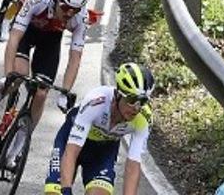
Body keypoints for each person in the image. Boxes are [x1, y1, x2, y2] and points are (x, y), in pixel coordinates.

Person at [0, 0, 89, 133]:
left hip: (50, 39)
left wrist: (66, 91)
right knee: (18, 75)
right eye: (65, 7)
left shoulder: (81, 18)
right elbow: (14, 38)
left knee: (41, 93)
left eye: (75, 10)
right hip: (27, 31)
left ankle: (22, 140)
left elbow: (75, 58)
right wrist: (7, 75)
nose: (69, 13)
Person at [44, 61, 154, 195]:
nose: (136, 108)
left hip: (102, 152)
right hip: (71, 142)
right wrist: (66, 190)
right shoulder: (96, 102)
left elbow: (133, 166)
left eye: (142, 102)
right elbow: (71, 152)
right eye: (132, 100)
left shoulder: (143, 118)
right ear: (118, 95)